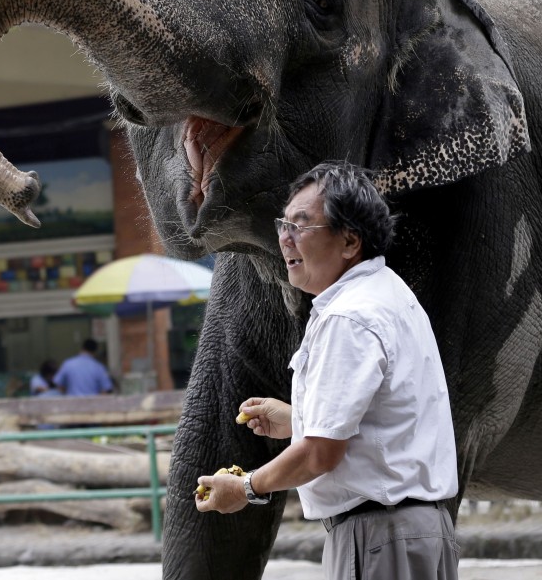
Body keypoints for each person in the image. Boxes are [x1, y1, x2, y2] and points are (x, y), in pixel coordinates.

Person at [196, 161, 459, 579]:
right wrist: (299, 420)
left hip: (377, 537)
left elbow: (321, 453)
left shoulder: (348, 317)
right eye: (283, 223)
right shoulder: (387, 292)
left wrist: (246, 488)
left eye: (301, 225)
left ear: (350, 241)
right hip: (408, 532)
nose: (284, 238)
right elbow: (382, 421)